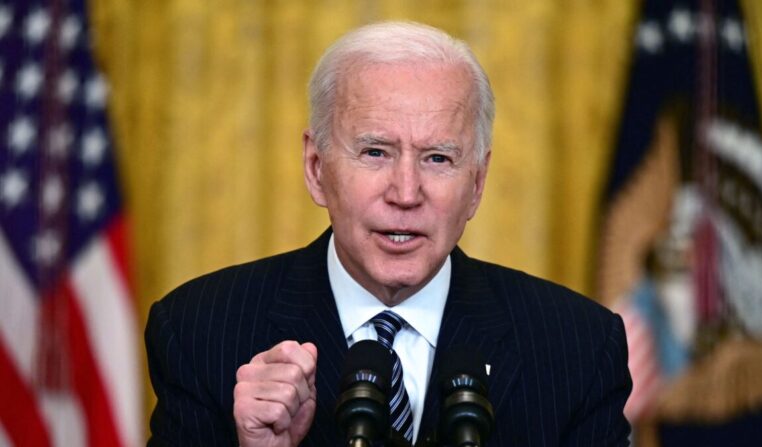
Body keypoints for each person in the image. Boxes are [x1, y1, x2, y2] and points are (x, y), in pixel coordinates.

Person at [145, 21, 632, 446]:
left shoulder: (579, 347)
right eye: (375, 152)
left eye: (437, 158)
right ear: (317, 169)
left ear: (478, 183)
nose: (405, 192)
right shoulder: (200, 332)